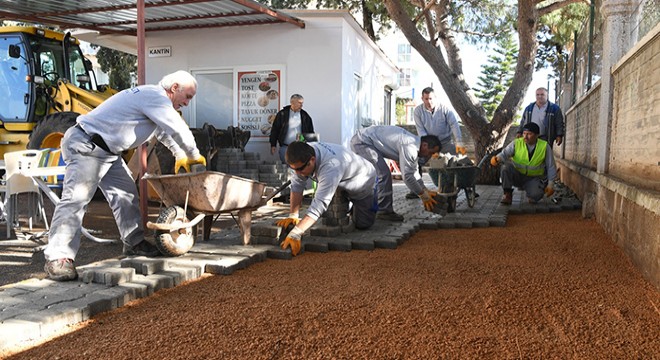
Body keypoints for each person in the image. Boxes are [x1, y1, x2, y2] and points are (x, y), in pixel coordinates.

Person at [43, 70, 207, 281]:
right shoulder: (155, 96)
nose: (187, 102)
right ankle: (58, 258)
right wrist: (194, 155)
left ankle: (134, 243)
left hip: (108, 152)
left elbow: (165, 133)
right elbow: (177, 127)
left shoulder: (155, 103)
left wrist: (179, 155)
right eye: (188, 96)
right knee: (76, 200)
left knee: (127, 194)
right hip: (87, 145)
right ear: (174, 88)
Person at [276, 141, 377, 256]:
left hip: (362, 180)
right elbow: (296, 186)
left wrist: (296, 233)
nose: (297, 173)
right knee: (334, 194)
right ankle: (348, 205)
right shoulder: (303, 154)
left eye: (300, 169)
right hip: (342, 176)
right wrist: (293, 214)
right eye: (293, 169)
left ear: (312, 160)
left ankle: (362, 204)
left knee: (363, 224)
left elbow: (319, 205)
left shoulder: (330, 166)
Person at [350, 125, 442, 222]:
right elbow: (407, 177)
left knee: (381, 174)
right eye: (431, 152)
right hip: (362, 142)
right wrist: (422, 195)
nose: (429, 156)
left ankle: (372, 207)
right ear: (424, 145)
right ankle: (384, 211)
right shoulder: (409, 146)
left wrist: (424, 189)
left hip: (367, 141)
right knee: (384, 174)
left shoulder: (413, 145)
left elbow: (414, 172)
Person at [409, 87, 465, 197]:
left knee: (460, 160)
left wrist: (459, 143)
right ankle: (416, 189)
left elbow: (454, 125)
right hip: (428, 144)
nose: (429, 101)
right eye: (426, 99)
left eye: (431, 98)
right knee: (415, 160)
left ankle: (466, 186)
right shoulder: (418, 112)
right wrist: (431, 148)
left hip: (445, 143)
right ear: (422, 99)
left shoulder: (445, 110)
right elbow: (421, 131)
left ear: (435, 98)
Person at [490, 122, 557, 205]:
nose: (525, 136)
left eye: (529, 134)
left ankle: (531, 194)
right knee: (505, 167)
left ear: (537, 135)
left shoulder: (545, 146)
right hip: (517, 176)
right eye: (524, 133)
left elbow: (551, 166)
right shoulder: (517, 143)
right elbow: (505, 154)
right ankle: (507, 194)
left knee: (536, 195)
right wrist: (497, 158)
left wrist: (551, 184)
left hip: (533, 178)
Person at [269, 94, 314, 163]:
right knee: (287, 169)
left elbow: (310, 131)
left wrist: (312, 146)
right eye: (299, 103)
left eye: (302, 103)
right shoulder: (282, 114)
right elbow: (275, 129)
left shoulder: (305, 115)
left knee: (299, 167)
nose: (301, 105)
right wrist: (273, 144)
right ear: (292, 102)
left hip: (301, 147)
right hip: (285, 147)